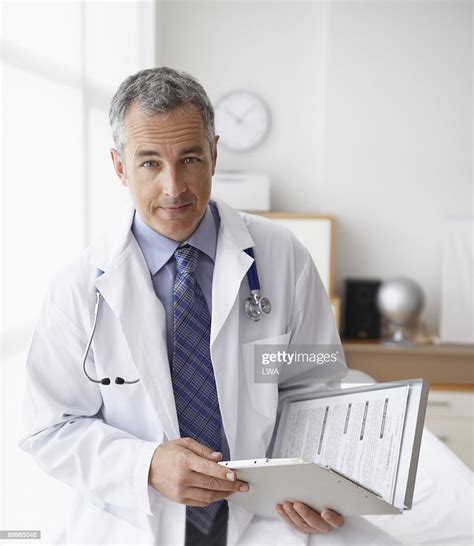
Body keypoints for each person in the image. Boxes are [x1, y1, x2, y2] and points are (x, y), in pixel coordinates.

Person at [19, 67, 357, 546]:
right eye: (150, 163)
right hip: (134, 521)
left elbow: (316, 381)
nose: (174, 187)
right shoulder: (78, 287)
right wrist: (147, 465)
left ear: (215, 154)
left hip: (264, 515)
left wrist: (313, 480)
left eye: (190, 158)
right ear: (120, 166)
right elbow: (48, 429)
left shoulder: (282, 255)